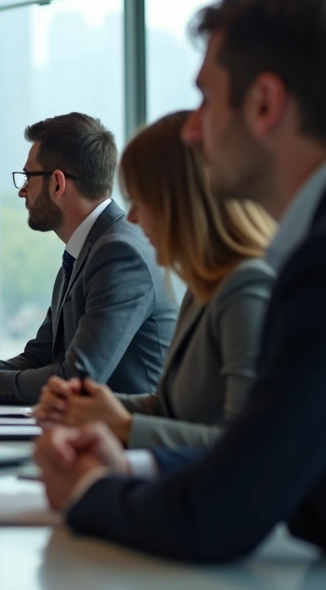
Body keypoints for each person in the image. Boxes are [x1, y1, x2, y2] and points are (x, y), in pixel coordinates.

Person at [34, 0, 326, 562]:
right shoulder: (318, 249)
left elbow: (221, 517)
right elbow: (267, 460)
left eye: (206, 97)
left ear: (264, 104)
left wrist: (90, 492)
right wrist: (135, 461)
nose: (193, 130)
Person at [33, 111, 276, 449]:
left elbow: (251, 445)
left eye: (140, 201)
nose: (130, 217)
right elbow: (167, 407)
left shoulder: (246, 289)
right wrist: (91, 407)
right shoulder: (203, 290)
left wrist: (122, 425)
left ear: (179, 205)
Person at [0, 113, 177, 405]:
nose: (21, 190)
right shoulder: (84, 251)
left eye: (28, 176)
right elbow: (39, 357)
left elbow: (77, 378)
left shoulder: (119, 253)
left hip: (128, 443)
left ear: (57, 183)